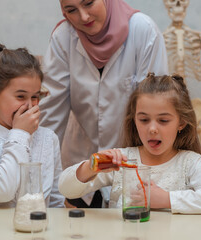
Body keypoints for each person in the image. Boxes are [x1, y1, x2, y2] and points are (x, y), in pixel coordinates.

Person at [39, 0, 168, 207]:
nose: (83, 17)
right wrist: (41, 187)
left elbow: (158, 106)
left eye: (88, 3)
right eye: (71, 10)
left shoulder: (143, 31)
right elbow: (49, 117)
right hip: (82, 164)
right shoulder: (63, 37)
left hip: (132, 166)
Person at [58, 73, 201, 213]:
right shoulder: (123, 160)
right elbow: (66, 189)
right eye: (143, 120)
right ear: (134, 120)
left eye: (163, 121)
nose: (152, 129)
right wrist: (91, 167)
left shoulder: (189, 162)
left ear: (181, 123)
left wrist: (166, 199)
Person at [0, 43, 65, 208]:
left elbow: (57, 201)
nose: (30, 106)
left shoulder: (48, 138)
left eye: (35, 97)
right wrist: (20, 133)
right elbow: (3, 191)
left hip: (37, 232)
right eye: (21, 96)